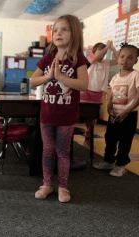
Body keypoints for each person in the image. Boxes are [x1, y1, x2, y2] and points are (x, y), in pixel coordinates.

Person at [30, 14, 89, 203]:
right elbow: (32, 82)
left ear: (75, 33)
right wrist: (49, 76)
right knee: (47, 150)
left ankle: (63, 187)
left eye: (64, 29)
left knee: (63, 152)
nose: (58, 33)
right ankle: (47, 184)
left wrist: (61, 77)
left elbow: (83, 84)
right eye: (55, 30)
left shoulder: (78, 59)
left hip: (66, 116)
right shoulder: (48, 58)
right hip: (46, 116)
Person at [93, 43, 139, 177]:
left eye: (130, 58)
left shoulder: (135, 75)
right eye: (122, 56)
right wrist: (109, 108)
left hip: (129, 115)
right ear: (118, 58)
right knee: (110, 138)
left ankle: (121, 165)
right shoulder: (115, 77)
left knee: (125, 140)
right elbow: (111, 95)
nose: (125, 60)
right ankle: (109, 161)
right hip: (114, 115)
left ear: (136, 61)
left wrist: (127, 110)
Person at [80, 40, 119, 146]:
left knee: (93, 118)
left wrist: (112, 48)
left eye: (104, 53)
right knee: (80, 113)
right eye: (100, 53)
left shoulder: (106, 64)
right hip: (85, 91)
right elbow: (97, 57)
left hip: (97, 93)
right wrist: (106, 47)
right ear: (94, 53)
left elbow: (119, 60)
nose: (102, 55)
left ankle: (88, 136)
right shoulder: (90, 61)